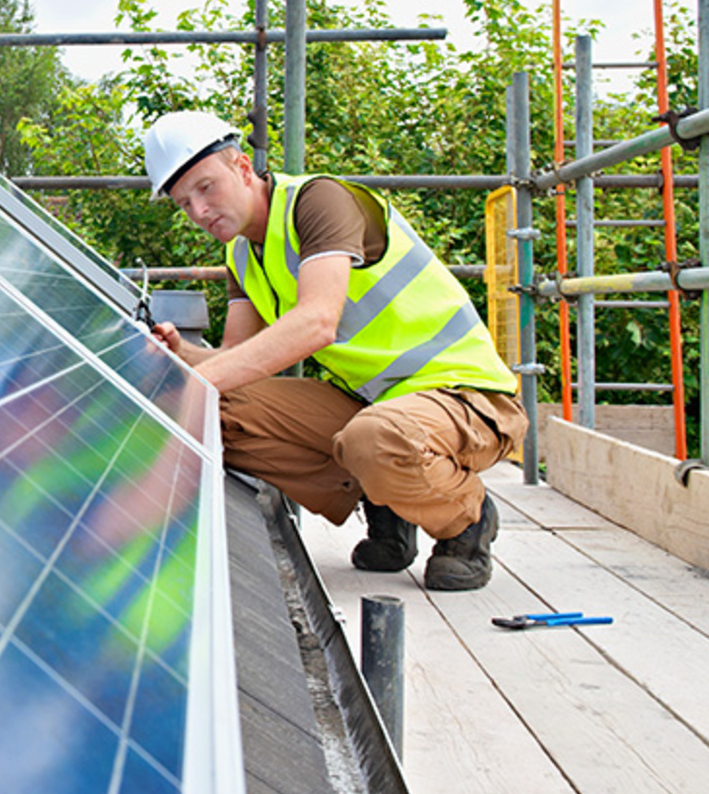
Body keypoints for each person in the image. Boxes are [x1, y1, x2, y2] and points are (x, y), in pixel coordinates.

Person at [141, 111, 528, 590]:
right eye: (184, 204)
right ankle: (386, 500)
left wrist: (198, 383)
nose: (199, 212)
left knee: (375, 438)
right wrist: (181, 355)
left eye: (206, 188)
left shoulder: (317, 201)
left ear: (242, 168)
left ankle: (466, 521)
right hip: (375, 407)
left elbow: (317, 322)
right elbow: (235, 359)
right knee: (216, 413)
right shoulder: (241, 254)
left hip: (464, 397)